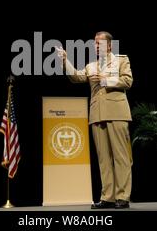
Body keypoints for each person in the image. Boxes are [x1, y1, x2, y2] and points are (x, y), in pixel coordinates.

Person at [56, 31, 133, 209]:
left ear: (109, 45)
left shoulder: (121, 60)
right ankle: (108, 197)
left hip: (117, 112)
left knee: (121, 157)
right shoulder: (92, 66)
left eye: (99, 43)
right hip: (97, 115)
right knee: (103, 159)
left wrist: (106, 80)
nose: (96, 46)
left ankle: (123, 197)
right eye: (95, 43)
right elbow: (76, 77)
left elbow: (127, 81)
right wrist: (64, 60)